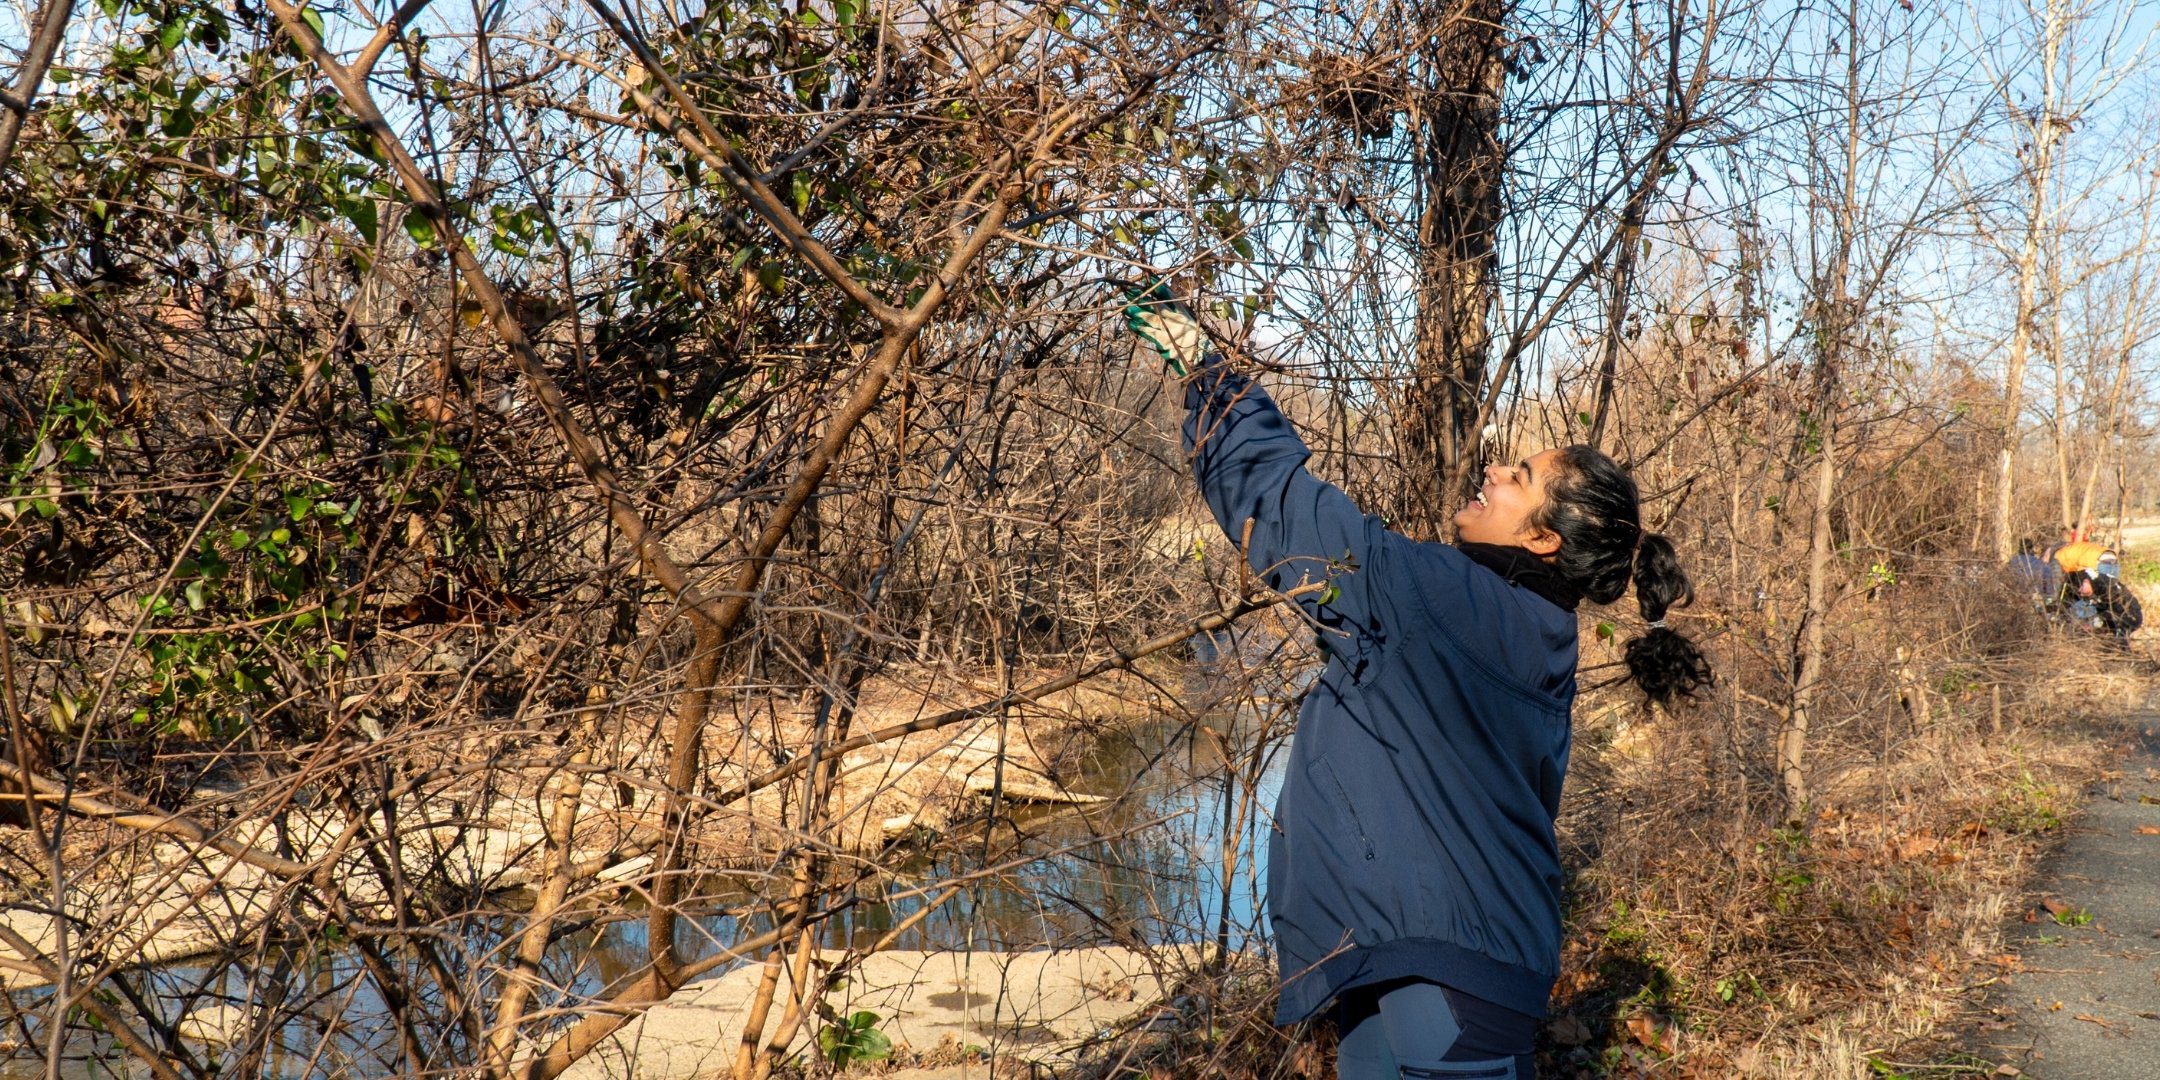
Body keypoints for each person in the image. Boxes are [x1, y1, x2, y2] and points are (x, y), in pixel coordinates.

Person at [1125, 285, 1712, 1080]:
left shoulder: (1449, 603)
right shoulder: (1533, 630)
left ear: (1544, 539)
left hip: (1448, 976)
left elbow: (1287, 513)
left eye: (1519, 476)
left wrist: (1208, 376)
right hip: (1419, 961)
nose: (1493, 469)